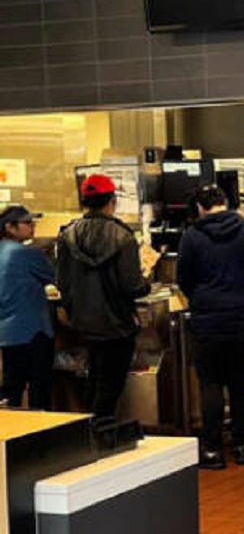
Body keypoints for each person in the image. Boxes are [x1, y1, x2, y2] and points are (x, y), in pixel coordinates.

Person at [177, 184, 244, 470]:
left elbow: (184, 279)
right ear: (226, 203)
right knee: (240, 383)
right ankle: (242, 444)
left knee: (211, 384)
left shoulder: (192, 236)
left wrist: (202, 299)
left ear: (201, 209)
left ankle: (213, 449)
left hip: (208, 319)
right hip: (243, 316)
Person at [56, 174, 151, 419]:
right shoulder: (123, 237)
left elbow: (62, 282)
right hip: (116, 321)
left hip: (84, 322)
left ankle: (88, 432)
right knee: (110, 383)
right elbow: (131, 285)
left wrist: (73, 309)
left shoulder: (68, 235)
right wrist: (146, 282)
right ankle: (101, 433)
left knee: (94, 376)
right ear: (112, 201)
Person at [0, 205, 56, 410]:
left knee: (11, 388)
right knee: (39, 387)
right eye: (27, 223)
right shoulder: (26, 253)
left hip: (7, 332)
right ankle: (40, 436)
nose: (33, 227)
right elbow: (56, 277)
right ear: (10, 227)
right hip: (33, 330)